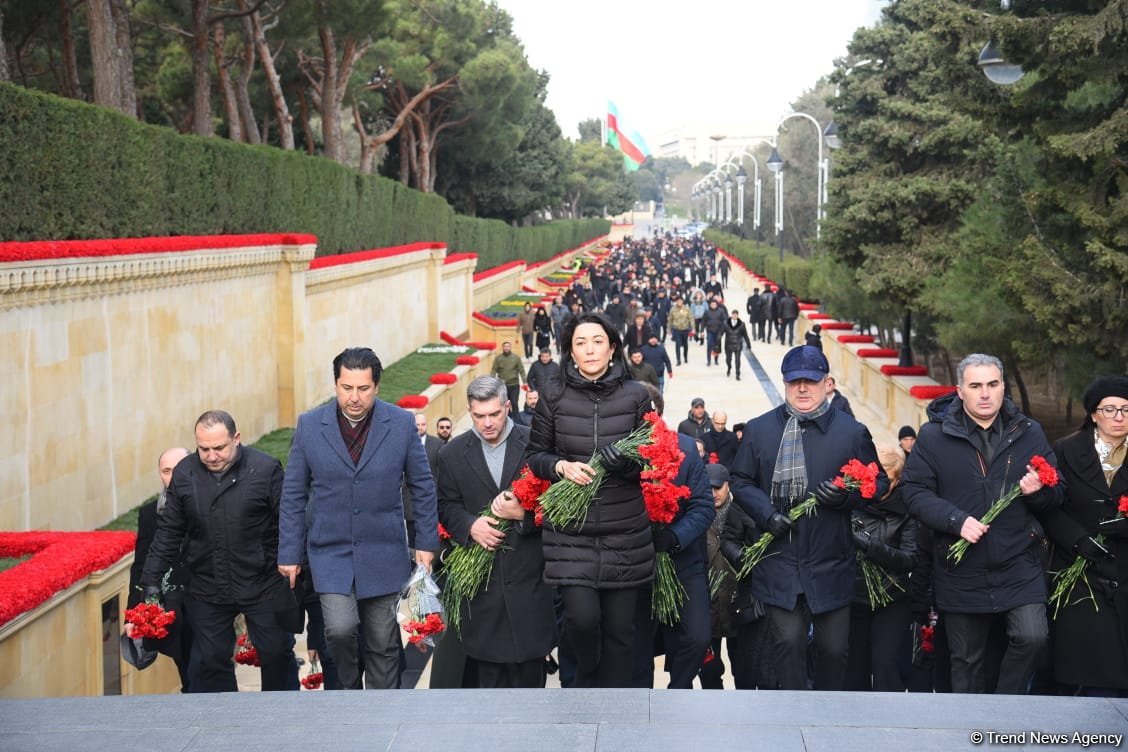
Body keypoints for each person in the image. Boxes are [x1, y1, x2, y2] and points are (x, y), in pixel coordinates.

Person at [278, 347, 440, 690]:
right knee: (339, 629)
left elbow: (423, 486)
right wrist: (289, 554)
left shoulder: (399, 424)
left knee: (383, 642)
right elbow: (292, 494)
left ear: (377, 387)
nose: (354, 397)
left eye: (363, 388)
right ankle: (349, 697)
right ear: (336, 385)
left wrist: (426, 543)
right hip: (330, 553)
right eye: (346, 387)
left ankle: (382, 712)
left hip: (384, 552)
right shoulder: (310, 426)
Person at [902, 353, 1063, 694]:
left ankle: (1004, 711)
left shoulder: (1030, 432)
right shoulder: (933, 436)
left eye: (992, 384)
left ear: (1003, 386)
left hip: (1019, 562)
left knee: (1033, 637)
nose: (985, 393)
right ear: (960, 391)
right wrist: (955, 521)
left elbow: (1056, 494)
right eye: (976, 386)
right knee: (966, 661)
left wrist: (1037, 493)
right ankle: (970, 736)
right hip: (961, 567)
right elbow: (913, 493)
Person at [730, 345, 888, 690]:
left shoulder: (851, 433)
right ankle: (795, 716)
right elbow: (740, 480)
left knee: (833, 650)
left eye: (811, 381)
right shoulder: (760, 430)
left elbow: (878, 481)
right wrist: (767, 514)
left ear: (828, 384)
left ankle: (827, 719)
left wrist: (846, 497)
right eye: (795, 382)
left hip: (830, 559)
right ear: (784, 384)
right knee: (787, 644)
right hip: (779, 559)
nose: (803, 389)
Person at [524, 312, 653, 688]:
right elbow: (535, 456)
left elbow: (651, 459)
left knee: (620, 632)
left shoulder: (636, 396)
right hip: (571, 534)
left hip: (624, 534)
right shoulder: (553, 395)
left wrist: (625, 463)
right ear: (570, 352)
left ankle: (611, 710)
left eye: (597, 341)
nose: (589, 349)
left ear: (613, 348)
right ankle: (585, 684)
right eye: (580, 343)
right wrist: (561, 466)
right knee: (581, 620)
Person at [141, 410, 298, 693]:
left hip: (261, 581)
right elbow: (168, 532)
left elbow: (288, 521)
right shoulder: (185, 474)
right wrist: (151, 582)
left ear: (236, 439)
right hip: (207, 584)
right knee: (212, 660)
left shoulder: (265, 469)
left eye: (219, 448)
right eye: (204, 449)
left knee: (276, 653)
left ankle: (281, 714)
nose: (211, 456)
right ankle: (226, 718)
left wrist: (291, 559)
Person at [436, 376, 557, 688]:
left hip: (530, 583)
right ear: (469, 411)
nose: (487, 423)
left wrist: (524, 516)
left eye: (495, 414)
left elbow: (559, 508)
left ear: (508, 406)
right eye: (479, 416)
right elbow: (446, 505)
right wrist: (470, 526)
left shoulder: (537, 446)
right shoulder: (451, 455)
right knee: (487, 691)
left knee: (531, 691)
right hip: (483, 593)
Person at [1040, 375, 1128, 696]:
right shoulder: (1064, 450)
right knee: (1089, 672)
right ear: (1093, 414)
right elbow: (1048, 507)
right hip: (1080, 574)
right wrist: (1077, 539)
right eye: (1110, 409)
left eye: (1126, 409)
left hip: (1124, 570)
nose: (1119, 417)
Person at [628, 383, 714, 690]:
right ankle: (643, 704)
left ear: (658, 413)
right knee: (637, 649)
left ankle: (677, 689)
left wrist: (674, 537)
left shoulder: (687, 449)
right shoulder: (618, 452)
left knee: (698, 635)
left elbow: (703, 507)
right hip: (635, 564)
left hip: (683, 561)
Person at [845, 445, 920, 692]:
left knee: (885, 662)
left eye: (885, 479)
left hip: (893, 596)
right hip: (854, 596)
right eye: (873, 477)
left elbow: (909, 558)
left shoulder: (907, 511)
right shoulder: (849, 506)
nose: (876, 485)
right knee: (855, 668)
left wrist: (869, 545)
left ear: (897, 481)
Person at [127, 447, 193, 692]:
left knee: (210, 663)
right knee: (186, 668)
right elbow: (141, 564)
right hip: (172, 605)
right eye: (167, 471)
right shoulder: (149, 514)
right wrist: (133, 611)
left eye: (180, 469)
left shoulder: (214, 502)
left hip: (210, 599)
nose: (174, 477)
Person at [401, 412, 443, 548]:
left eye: (423, 424)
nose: (420, 427)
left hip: (432, 497)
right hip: (409, 499)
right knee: (412, 537)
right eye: (417, 424)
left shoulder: (438, 444)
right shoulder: (403, 444)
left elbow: (441, 471)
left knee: (432, 534)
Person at [491, 341, 526, 414]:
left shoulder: (516, 358)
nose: (506, 348)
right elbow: (494, 370)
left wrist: (524, 382)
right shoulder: (498, 358)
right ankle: (508, 419)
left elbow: (521, 370)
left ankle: (517, 419)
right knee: (505, 404)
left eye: (508, 346)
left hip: (514, 385)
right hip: (502, 386)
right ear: (502, 348)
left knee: (514, 403)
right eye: (505, 346)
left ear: (510, 347)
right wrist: (491, 382)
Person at [722, 308, 752, 380]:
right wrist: (718, 340)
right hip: (728, 344)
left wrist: (748, 344)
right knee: (728, 359)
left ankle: (737, 374)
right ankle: (729, 367)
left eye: (736, 315)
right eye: (733, 314)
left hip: (738, 344)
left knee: (737, 360)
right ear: (731, 315)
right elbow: (721, 332)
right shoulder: (726, 323)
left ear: (738, 315)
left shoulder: (742, 324)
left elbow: (745, 335)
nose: (734, 316)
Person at [668, 297, 695, 367]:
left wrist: (693, 328)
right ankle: (678, 360)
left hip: (685, 329)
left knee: (685, 344)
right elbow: (670, 320)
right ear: (676, 302)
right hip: (676, 330)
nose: (679, 302)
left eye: (680, 301)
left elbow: (691, 318)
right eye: (678, 301)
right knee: (678, 344)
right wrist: (668, 329)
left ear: (682, 301)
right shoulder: (673, 309)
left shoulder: (686, 308)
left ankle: (685, 357)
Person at [703, 298, 727, 367]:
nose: (713, 305)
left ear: (717, 305)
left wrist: (722, 332)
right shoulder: (707, 312)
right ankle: (708, 360)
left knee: (717, 346)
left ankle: (716, 360)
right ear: (710, 305)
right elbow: (703, 321)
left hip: (718, 331)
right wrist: (702, 331)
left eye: (714, 304)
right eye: (712, 304)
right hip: (710, 331)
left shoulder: (721, 311)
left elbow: (724, 322)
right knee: (709, 345)